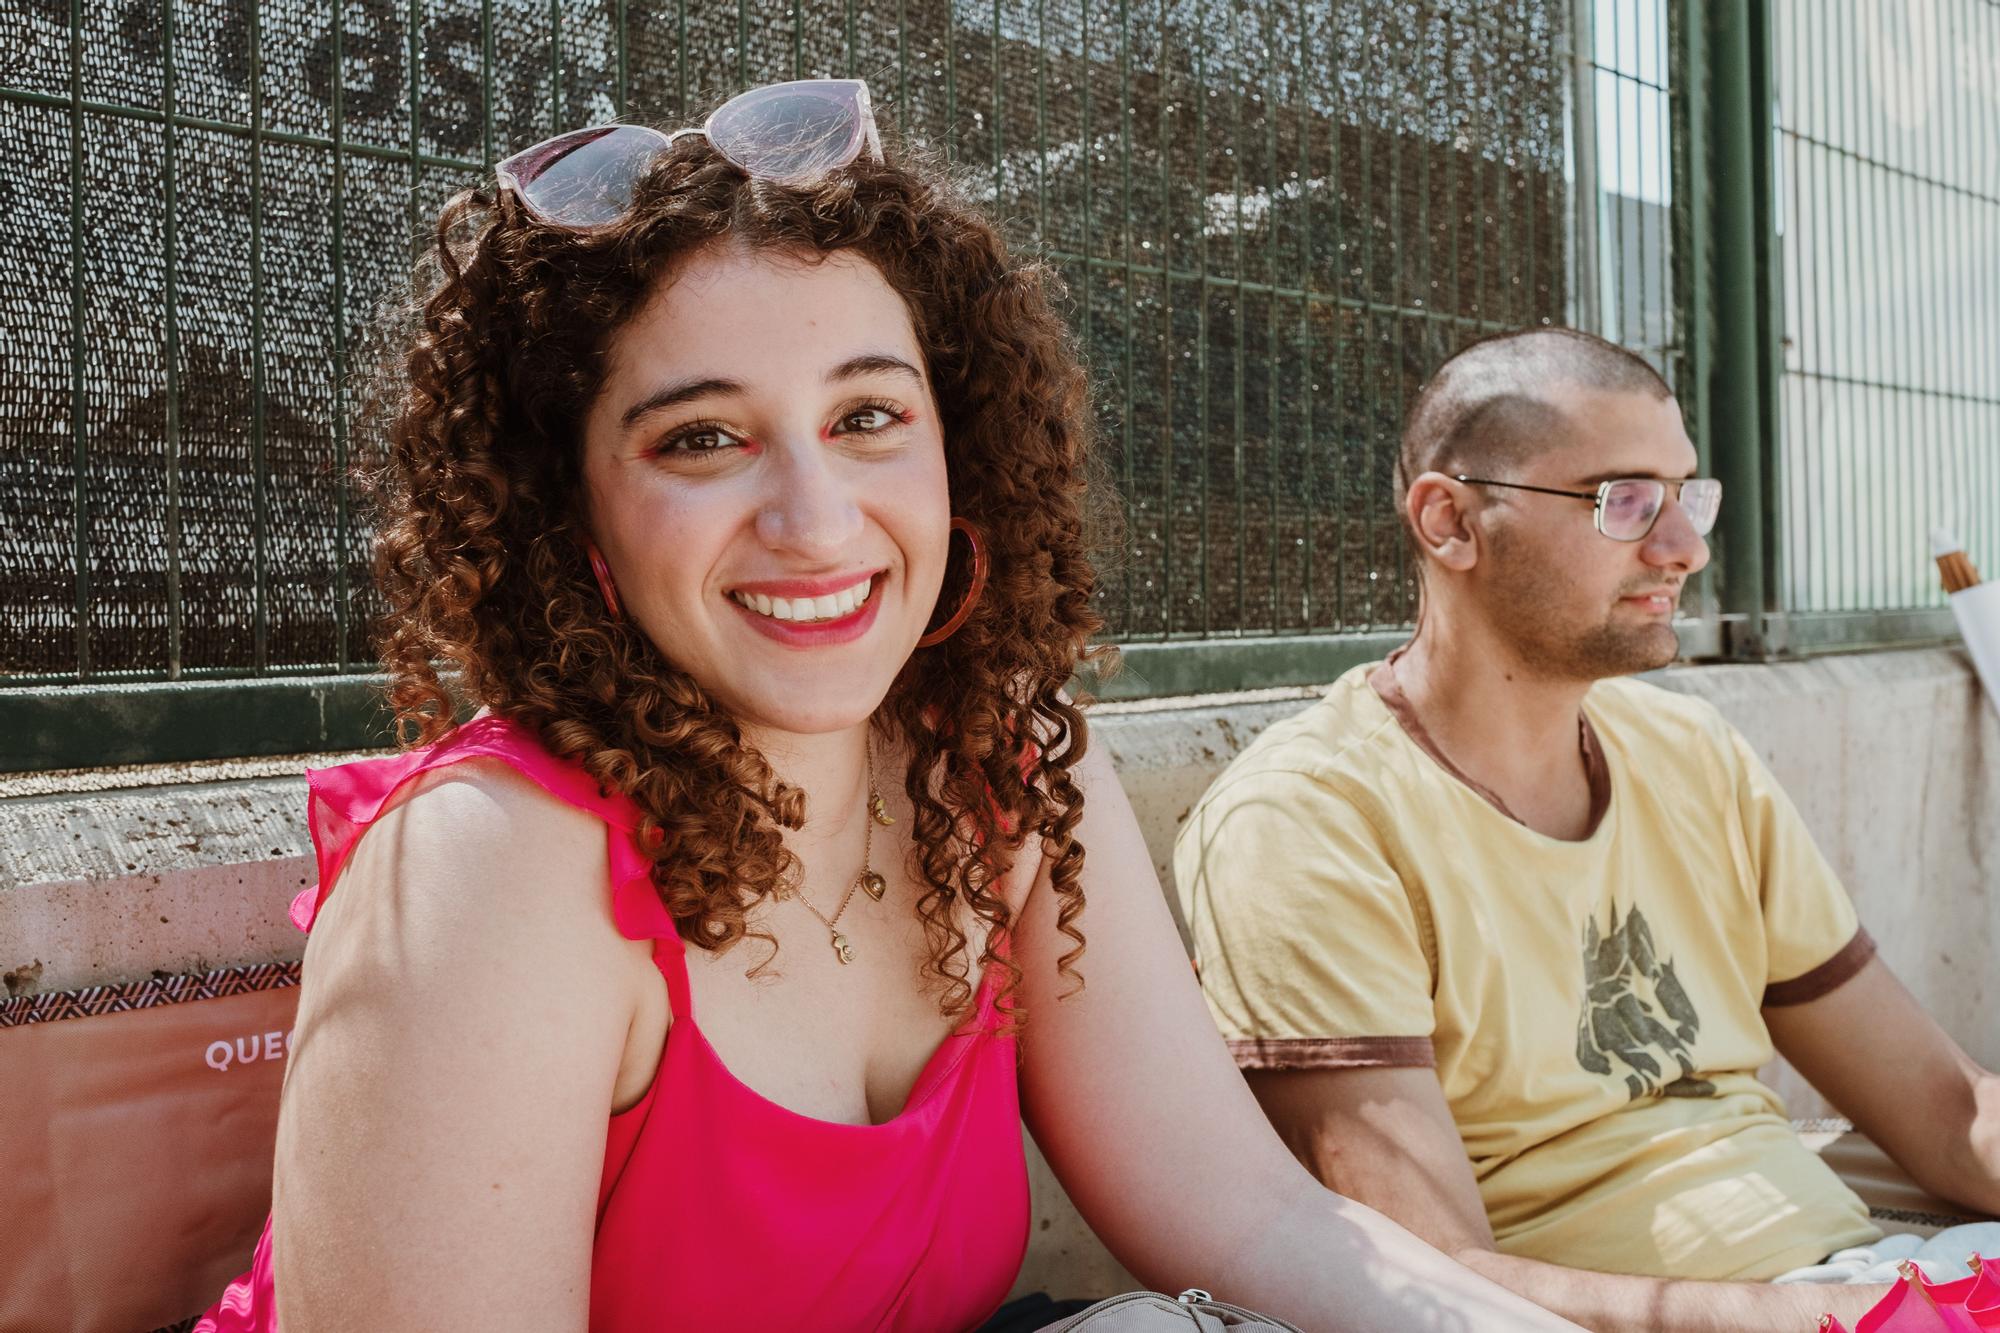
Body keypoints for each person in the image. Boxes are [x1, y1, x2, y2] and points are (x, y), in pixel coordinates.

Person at [192, 82, 1580, 1332]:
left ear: (957, 445)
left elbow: (1251, 1216)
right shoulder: (493, 868)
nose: (816, 520)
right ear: (579, 520)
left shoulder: (1002, 768)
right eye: (702, 438)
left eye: (867, 418)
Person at [1174, 327, 2000, 1333]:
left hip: (1871, 1269)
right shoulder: (1304, 823)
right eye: (1622, 499)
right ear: (1448, 521)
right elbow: (1426, 1280)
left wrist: (1902, 1301)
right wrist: (1847, 1316)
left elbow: (1947, 1112)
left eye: (1687, 493)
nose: (1683, 547)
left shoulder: (1691, 752)